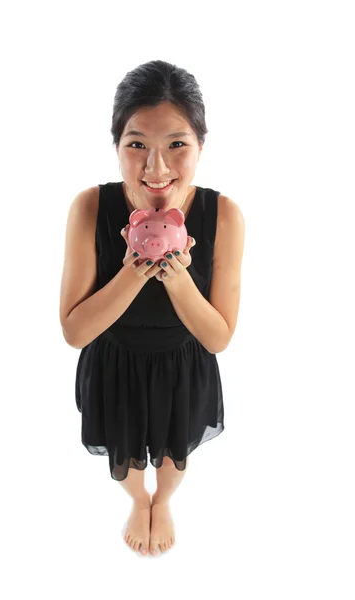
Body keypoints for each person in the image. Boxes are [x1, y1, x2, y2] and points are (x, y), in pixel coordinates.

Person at [59, 60, 245, 557]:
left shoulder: (223, 214)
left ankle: (162, 500)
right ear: (117, 146)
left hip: (184, 363)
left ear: (201, 146)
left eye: (177, 145)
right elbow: (75, 331)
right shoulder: (89, 207)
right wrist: (135, 267)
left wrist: (177, 274)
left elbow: (218, 337)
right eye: (136, 144)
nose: (156, 168)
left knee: (174, 454)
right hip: (114, 361)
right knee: (125, 459)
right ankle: (137, 498)